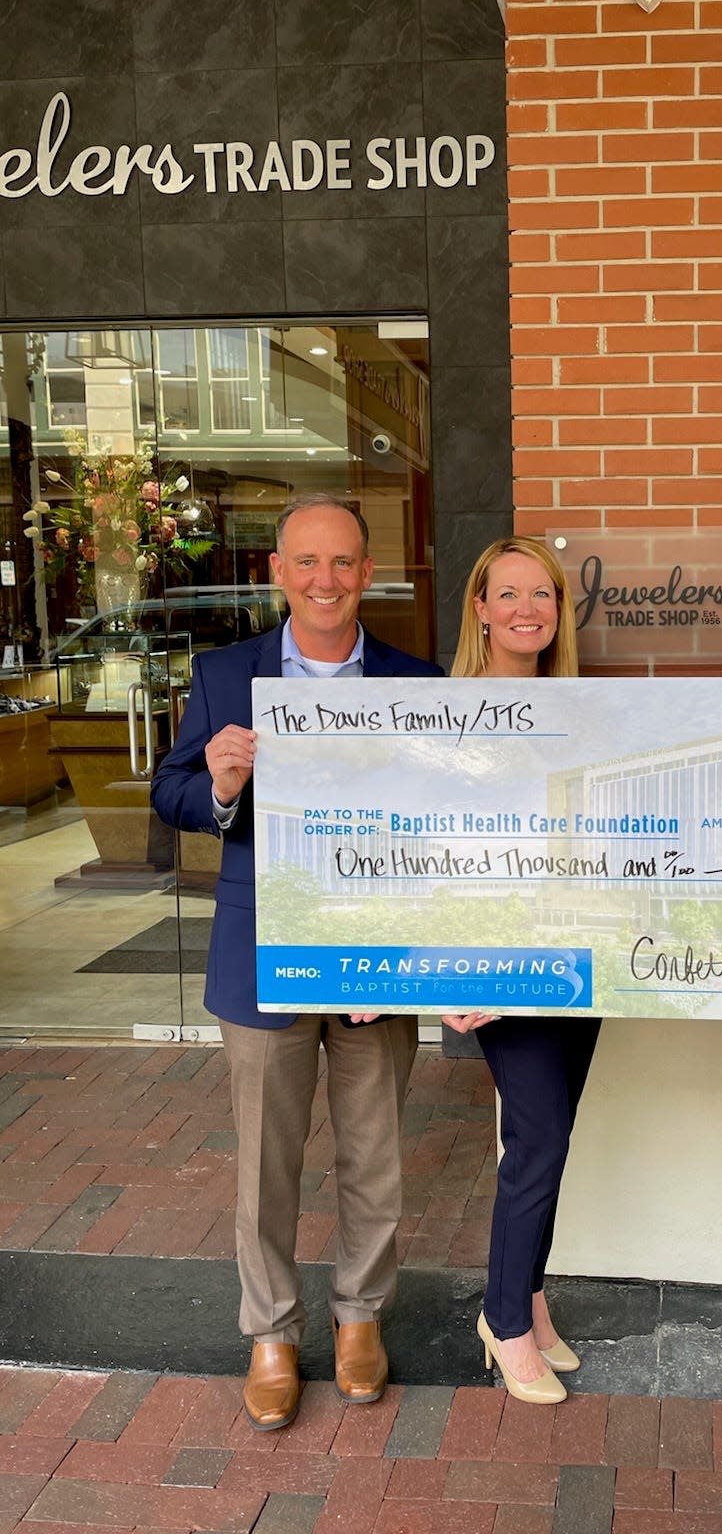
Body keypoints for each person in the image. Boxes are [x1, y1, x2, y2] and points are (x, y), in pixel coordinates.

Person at [152, 493, 442, 1431]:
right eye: (307, 562)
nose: (327, 580)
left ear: (368, 573)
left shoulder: (416, 681)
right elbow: (172, 790)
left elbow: (442, 826)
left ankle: (361, 1318)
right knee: (266, 1162)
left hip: (374, 961)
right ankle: (271, 1332)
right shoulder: (228, 673)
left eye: (345, 562)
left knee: (374, 1155)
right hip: (261, 953)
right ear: (278, 571)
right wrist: (224, 785)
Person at [442, 536, 600, 1406]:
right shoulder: (447, 713)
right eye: (508, 594)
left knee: (553, 1135)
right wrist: (452, 974)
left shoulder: (581, 709)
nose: (526, 609)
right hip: (498, 963)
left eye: (542, 593)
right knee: (534, 1140)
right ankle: (505, 1323)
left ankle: (528, 1296)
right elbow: (427, 853)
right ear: (480, 607)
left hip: (578, 954)